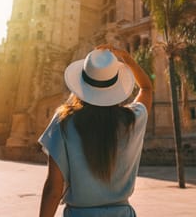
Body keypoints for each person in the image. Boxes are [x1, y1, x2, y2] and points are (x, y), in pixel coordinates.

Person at [39, 44, 153, 217]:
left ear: (81, 84)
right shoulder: (131, 120)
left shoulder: (63, 122)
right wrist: (127, 60)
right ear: (115, 85)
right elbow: (146, 88)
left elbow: (53, 189)